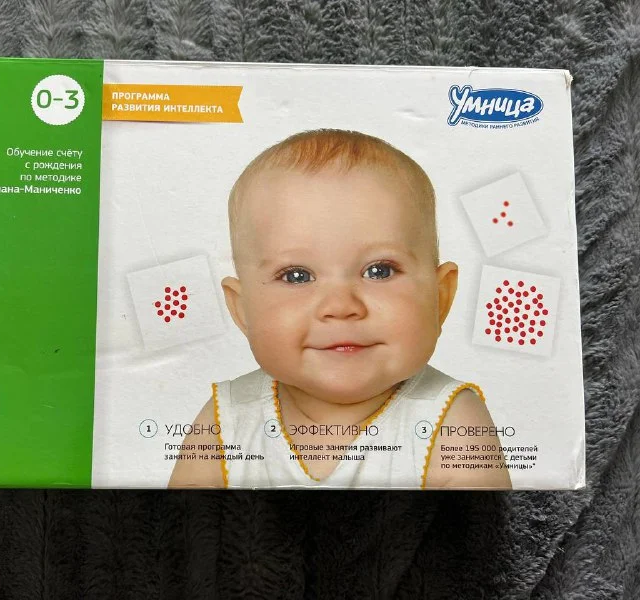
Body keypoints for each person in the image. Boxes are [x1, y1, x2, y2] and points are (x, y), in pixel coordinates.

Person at [169, 129, 511, 489]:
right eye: (297, 276)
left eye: (379, 271)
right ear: (243, 310)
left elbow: (477, 526)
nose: (341, 307)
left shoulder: (450, 422)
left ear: (440, 296)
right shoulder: (226, 421)